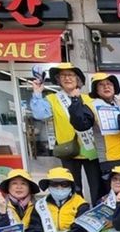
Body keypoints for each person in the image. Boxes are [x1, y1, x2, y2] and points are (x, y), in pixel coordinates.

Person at [30, 63, 102, 205]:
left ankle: (97, 212)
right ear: (58, 79)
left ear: (78, 79)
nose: (67, 78)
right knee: (73, 187)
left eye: (70, 75)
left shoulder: (89, 99)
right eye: (63, 75)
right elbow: (40, 114)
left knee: (96, 186)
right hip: (68, 149)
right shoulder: (52, 99)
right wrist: (37, 93)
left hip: (91, 149)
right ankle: (76, 210)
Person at [69, 72, 120, 199]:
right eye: (101, 85)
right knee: (110, 196)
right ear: (96, 90)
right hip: (110, 159)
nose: (106, 87)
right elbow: (81, 124)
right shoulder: (92, 106)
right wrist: (75, 101)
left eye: (109, 84)